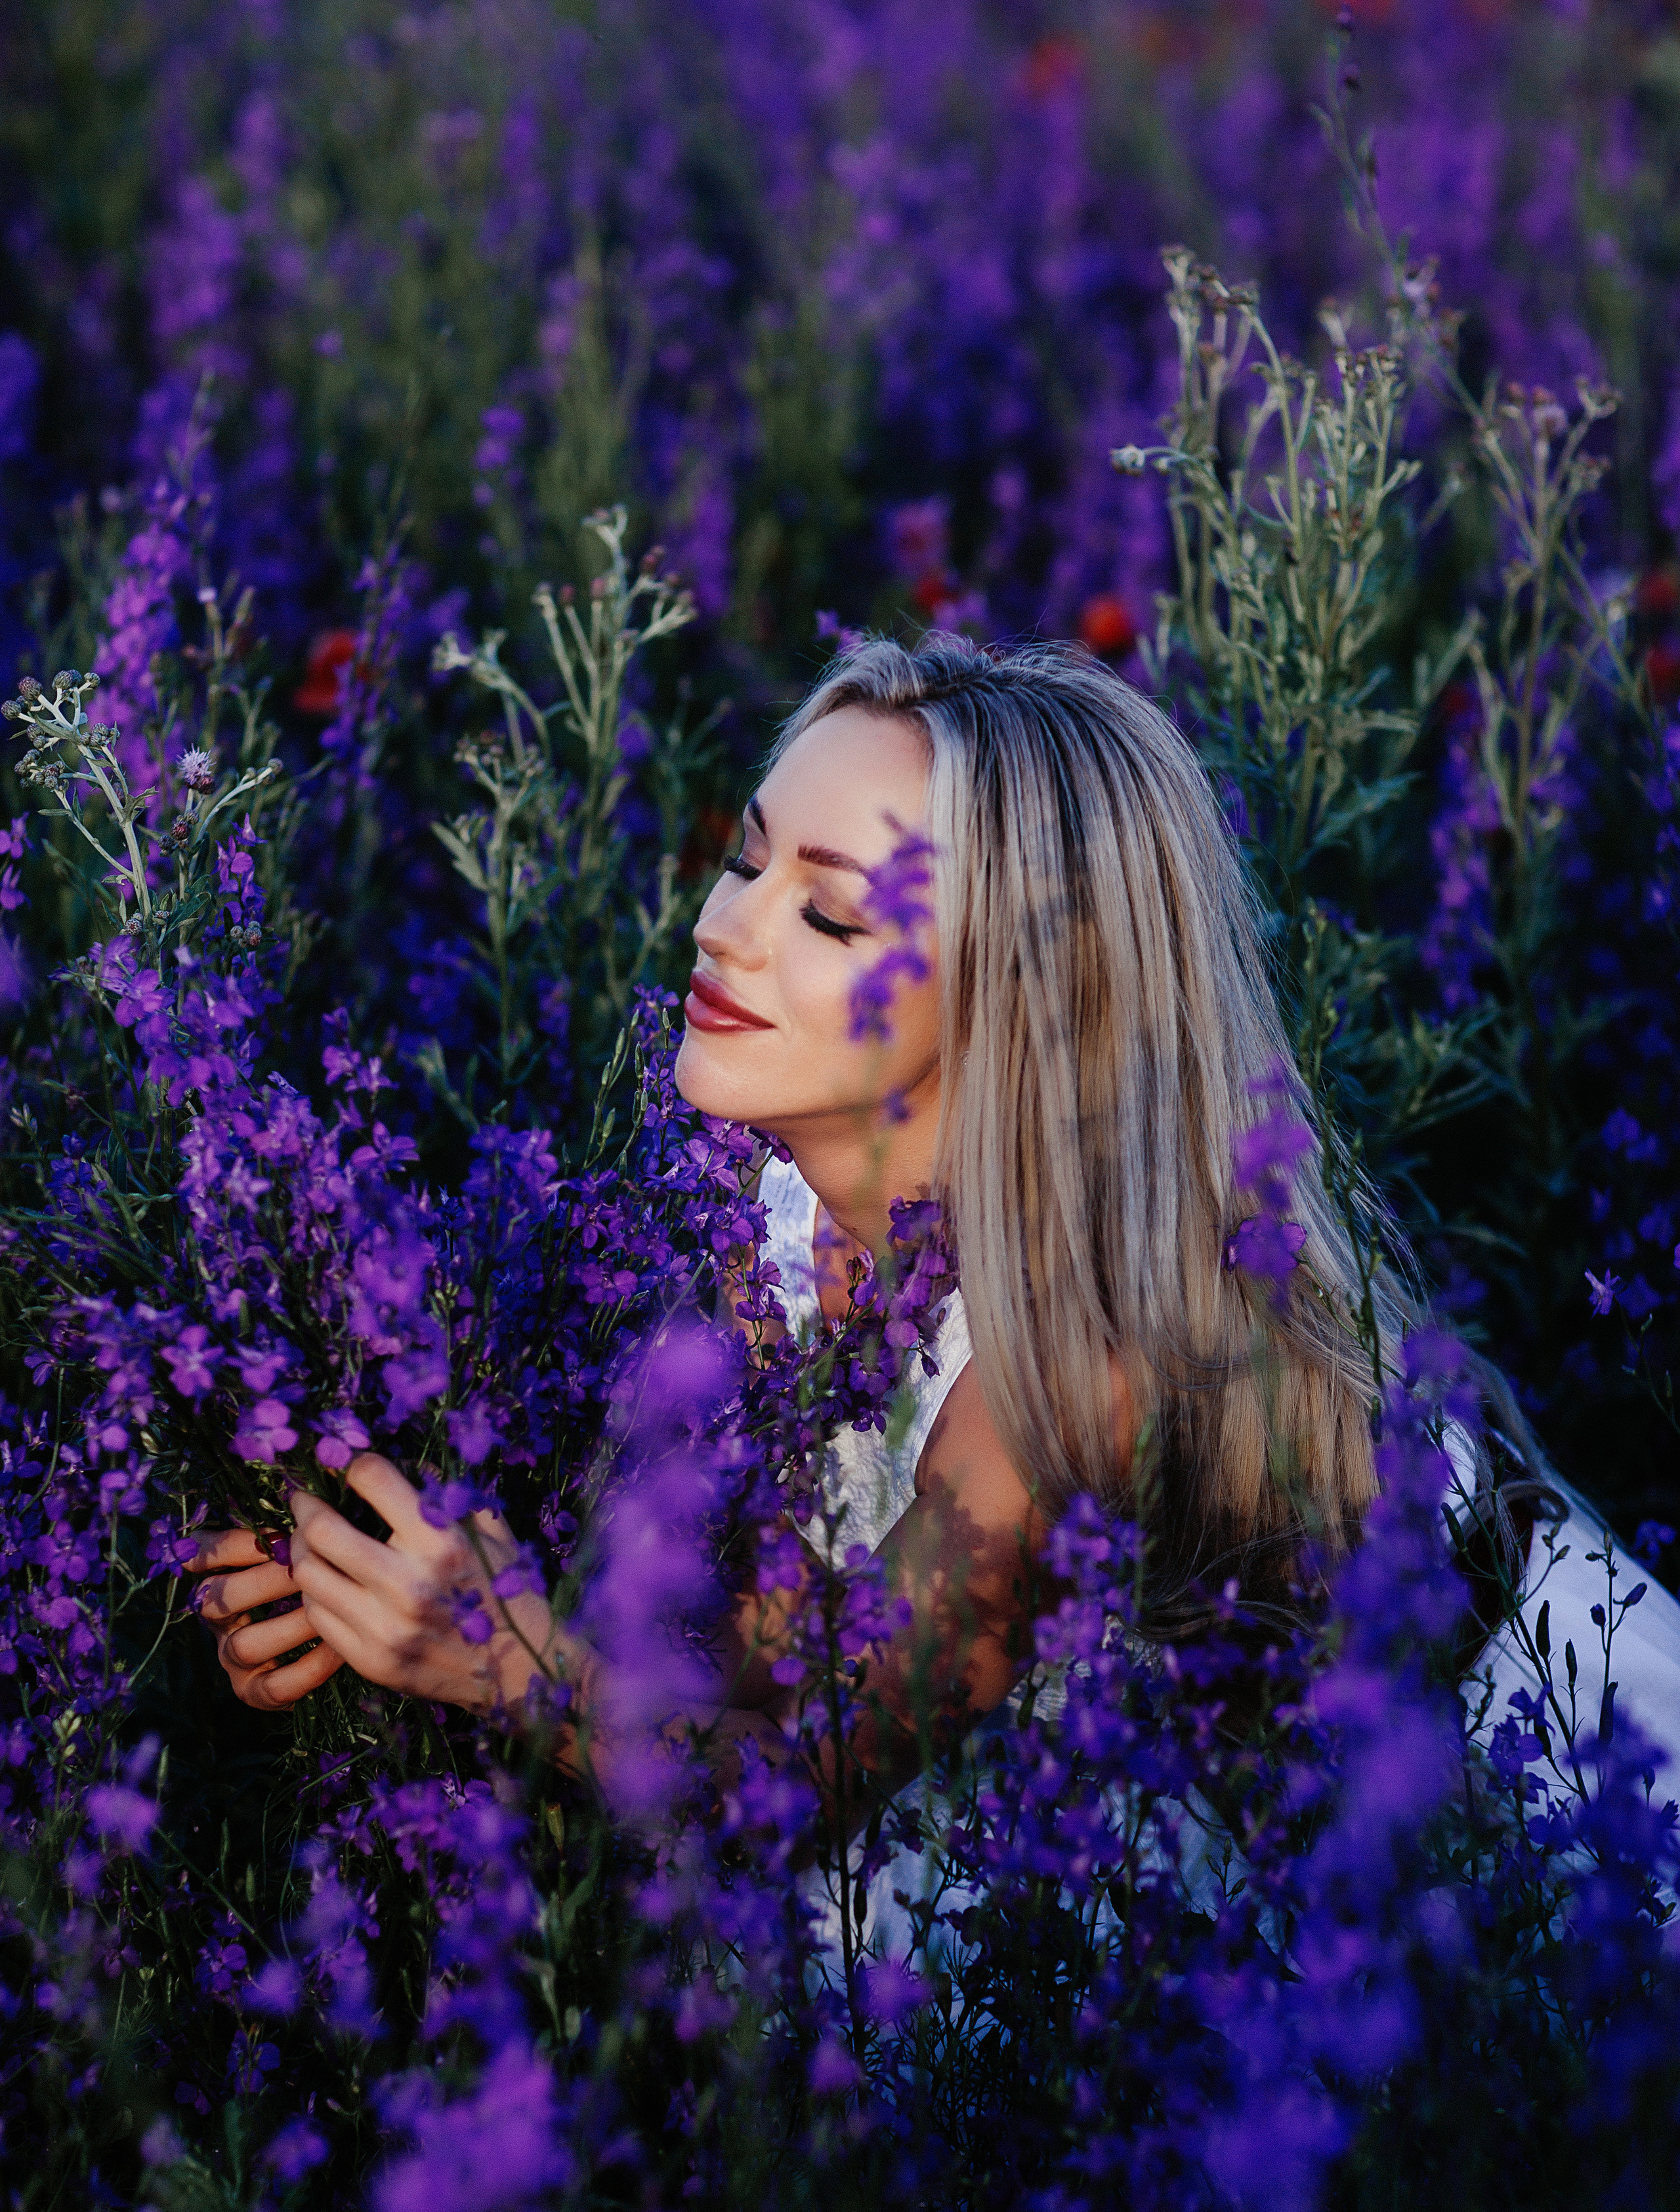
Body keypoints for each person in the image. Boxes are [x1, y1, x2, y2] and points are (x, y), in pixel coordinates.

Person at [188, 635, 1680, 1843]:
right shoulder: (756, 1213)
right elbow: (761, 1655)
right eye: (741, 859)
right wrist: (358, 1593)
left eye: (828, 918)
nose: (725, 930)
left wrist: (497, 1657)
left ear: (1021, 1000)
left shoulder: (1096, 1345)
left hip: (1552, 1831)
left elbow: (803, 1789)